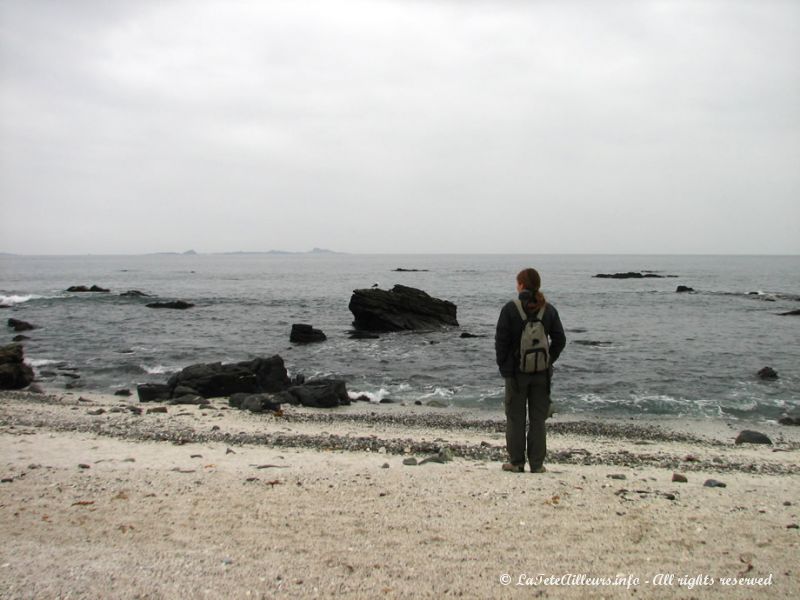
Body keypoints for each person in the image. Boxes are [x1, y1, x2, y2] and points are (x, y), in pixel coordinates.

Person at [495, 268, 566, 473]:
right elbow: (560, 340)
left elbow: (501, 342)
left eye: (517, 282)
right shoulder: (548, 310)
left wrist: (505, 369)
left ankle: (516, 463)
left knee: (515, 418)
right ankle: (537, 464)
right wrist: (548, 360)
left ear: (522, 285)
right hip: (542, 374)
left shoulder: (510, 309)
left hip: (516, 374)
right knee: (538, 419)